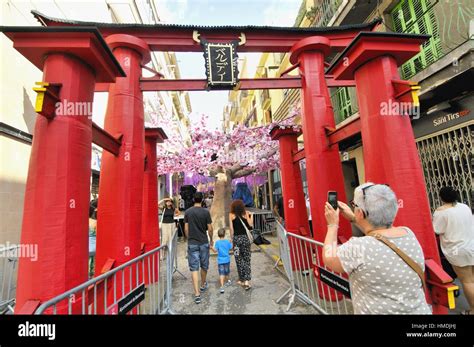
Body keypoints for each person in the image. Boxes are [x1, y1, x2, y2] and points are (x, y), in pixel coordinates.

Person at [323, 183, 431, 314]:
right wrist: (354, 218)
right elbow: (378, 233)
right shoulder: (408, 233)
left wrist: (332, 225)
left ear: (361, 213)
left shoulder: (359, 247)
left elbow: (329, 258)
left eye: (354, 205)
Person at [433, 186, 474, 314]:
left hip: (458, 250)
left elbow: (437, 230)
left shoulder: (441, 212)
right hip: (471, 244)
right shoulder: (464, 207)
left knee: (467, 281)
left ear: (441, 198)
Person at [184, 192, 213, 304]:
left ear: (193, 199)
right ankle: (203, 284)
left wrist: (188, 239)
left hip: (192, 243)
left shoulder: (188, 212)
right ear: (202, 200)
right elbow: (210, 229)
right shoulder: (206, 212)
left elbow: (186, 229)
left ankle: (197, 294)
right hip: (203, 242)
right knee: (204, 265)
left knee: (194, 268)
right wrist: (211, 240)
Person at [229, 199, 253, 290]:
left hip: (236, 240)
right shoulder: (246, 213)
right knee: (247, 258)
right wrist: (251, 216)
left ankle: (242, 279)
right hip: (245, 240)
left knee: (238, 258)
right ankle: (246, 281)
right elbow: (251, 225)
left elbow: (231, 229)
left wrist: (232, 240)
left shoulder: (231, 215)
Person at [212, 228, 233, 294]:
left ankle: (222, 287)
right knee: (227, 271)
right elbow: (231, 248)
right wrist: (231, 242)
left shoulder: (217, 243)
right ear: (224, 234)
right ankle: (229, 280)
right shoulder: (227, 242)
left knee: (221, 273)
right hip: (227, 260)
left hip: (220, 261)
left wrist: (211, 247)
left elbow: (215, 251)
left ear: (218, 235)